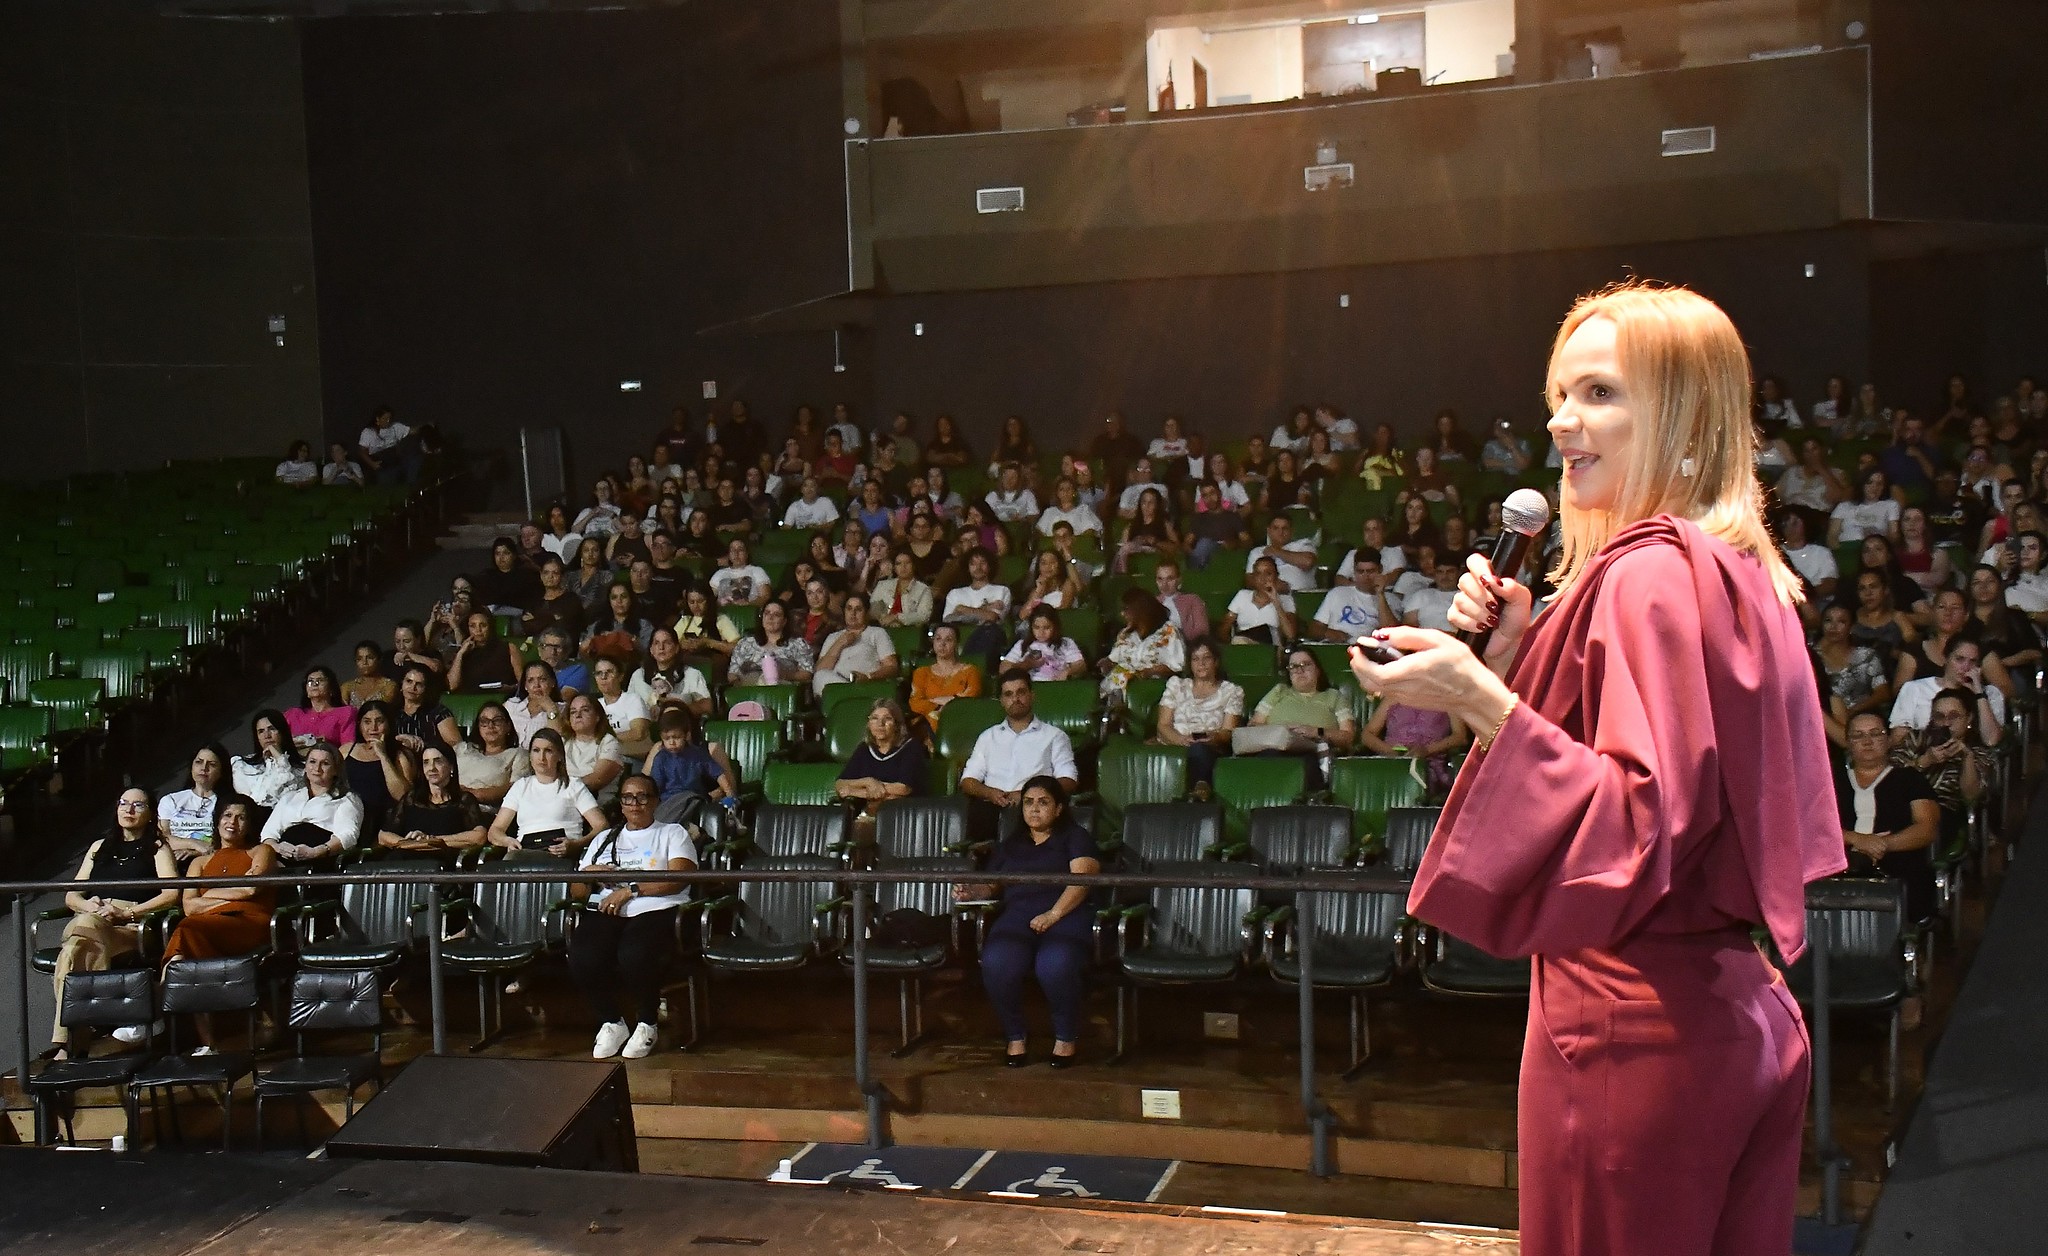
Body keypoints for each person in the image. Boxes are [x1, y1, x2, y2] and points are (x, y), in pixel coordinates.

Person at [1349, 284, 1843, 1256]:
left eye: (1598, 393)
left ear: (1680, 417)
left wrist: (1476, 696)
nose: (1558, 420)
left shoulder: (1643, 575)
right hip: (1739, 1015)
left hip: (1628, 1024)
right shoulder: (1740, 569)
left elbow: (1631, 822)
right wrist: (1505, 667)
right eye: (1557, 394)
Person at [956, 776, 1099, 1067]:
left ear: (1059, 808)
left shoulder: (1075, 836)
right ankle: (1015, 1036)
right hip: (1019, 915)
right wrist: (973, 891)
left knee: (1054, 965)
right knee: (997, 962)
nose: (1034, 809)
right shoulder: (1012, 843)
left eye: (1043, 802)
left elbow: (1083, 880)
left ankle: (1065, 1038)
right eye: (1029, 803)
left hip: (1065, 915)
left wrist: (1053, 915)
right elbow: (994, 885)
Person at [43, 791, 180, 1056]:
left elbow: (172, 894)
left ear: (150, 814)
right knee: (75, 951)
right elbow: (72, 894)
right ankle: (73, 1040)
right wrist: (90, 906)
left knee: (75, 944)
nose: (128, 809)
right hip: (93, 919)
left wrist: (126, 913)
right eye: (123, 803)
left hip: (132, 926)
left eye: (138, 804)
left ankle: (68, 1043)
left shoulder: (157, 848)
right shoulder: (98, 847)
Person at [572, 782, 698, 1061]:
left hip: (656, 908)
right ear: (620, 803)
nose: (635, 803)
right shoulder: (604, 838)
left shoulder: (672, 833)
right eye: (628, 798)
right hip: (607, 910)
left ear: (655, 802)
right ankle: (612, 1022)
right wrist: (587, 873)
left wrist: (631, 889)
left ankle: (646, 1022)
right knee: (582, 954)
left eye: (642, 797)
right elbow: (577, 892)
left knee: (635, 953)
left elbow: (679, 878)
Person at [159, 797, 279, 1041]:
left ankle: (161, 998)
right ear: (216, 822)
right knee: (189, 947)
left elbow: (250, 890)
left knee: (186, 939)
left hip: (249, 922)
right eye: (227, 815)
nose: (232, 821)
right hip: (205, 927)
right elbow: (189, 906)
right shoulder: (199, 862)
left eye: (241, 816)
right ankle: (212, 1038)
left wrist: (211, 893)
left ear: (250, 824)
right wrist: (228, 898)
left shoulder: (260, 851)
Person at [1836, 712, 1940, 926]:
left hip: (1897, 866)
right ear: (1848, 742)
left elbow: (1927, 828)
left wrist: (1881, 845)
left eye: (1875, 734)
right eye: (1858, 736)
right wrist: (1856, 839)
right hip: (1838, 866)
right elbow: (1809, 829)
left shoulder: (1910, 779)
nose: (1867, 741)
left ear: (1889, 739)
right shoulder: (1829, 782)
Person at [960, 672, 1079, 833]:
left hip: (1034, 810)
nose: (1015, 699)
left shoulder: (1054, 736)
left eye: (1021, 692)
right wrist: (989, 793)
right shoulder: (988, 737)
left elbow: (1069, 780)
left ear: (1032, 695)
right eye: (1008, 694)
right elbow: (968, 781)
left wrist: (1027, 795)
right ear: (1001, 701)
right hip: (990, 809)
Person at [1246, 649, 1355, 790]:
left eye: (1306, 664)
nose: (1299, 670)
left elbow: (1348, 737)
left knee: (1306, 762)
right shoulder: (1279, 691)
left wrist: (1316, 731)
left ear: (1318, 670)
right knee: (1269, 757)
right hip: (1276, 747)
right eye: (1293, 666)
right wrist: (1282, 730)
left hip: (1314, 749)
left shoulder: (1334, 696)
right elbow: (1254, 725)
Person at [487, 729, 607, 856]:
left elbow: (601, 825)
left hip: (561, 854)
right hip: (525, 852)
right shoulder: (520, 786)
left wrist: (575, 845)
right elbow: (495, 830)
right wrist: (507, 841)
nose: (541, 758)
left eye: (548, 751)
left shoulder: (573, 785)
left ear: (559, 756)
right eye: (536, 750)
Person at [1154, 638, 1243, 790]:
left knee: (1199, 748)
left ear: (1216, 662)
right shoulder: (1177, 685)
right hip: (1175, 740)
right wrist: (1181, 740)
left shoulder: (1232, 691)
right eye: (1195, 659)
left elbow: (1228, 732)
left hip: (1210, 745)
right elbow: (1163, 724)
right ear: (1190, 664)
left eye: (1206, 658)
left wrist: (1212, 737)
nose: (1201, 663)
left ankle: (1200, 789)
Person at [835, 699, 929, 837]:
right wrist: (868, 782)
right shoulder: (864, 749)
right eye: (874, 718)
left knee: (863, 828)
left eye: (887, 719)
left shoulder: (911, 747)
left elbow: (903, 788)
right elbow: (840, 784)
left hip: (905, 812)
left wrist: (856, 791)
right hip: (868, 811)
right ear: (868, 723)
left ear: (897, 724)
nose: (880, 724)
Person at [378, 744, 490, 859]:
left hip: (443, 864)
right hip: (405, 860)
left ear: (451, 766)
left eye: (438, 761)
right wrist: (410, 843)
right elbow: (383, 836)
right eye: (426, 762)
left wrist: (432, 840)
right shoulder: (411, 799)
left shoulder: (463, 800)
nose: (431, 768)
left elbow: (479, 836)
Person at [260, 744, 365, 865]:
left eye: (325, 763)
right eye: (312, 761)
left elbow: (347, 835)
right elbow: (267, 834)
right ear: (305, 766)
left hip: (320, 861)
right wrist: (278, 847)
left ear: (336, 770)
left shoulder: (347, 799)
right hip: (281, 860)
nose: (317, 768)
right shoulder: (289, 797)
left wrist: (316, 852)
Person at [1888, 637, 2004, 743]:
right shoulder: (1914, 688)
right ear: (1946, 659)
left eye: (1973, 661)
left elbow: (1991, 740)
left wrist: (1979, 694)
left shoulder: (1990, 693)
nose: (1966, 667)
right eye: (1959, 659)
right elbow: (1898, 737)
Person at [643, 707, 737, 825]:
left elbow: (718, 774)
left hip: (695, 798)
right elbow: (655, 787)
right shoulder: (661, 758)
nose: (671, 742)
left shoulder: (698, 754)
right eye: (667, 738)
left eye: (676, 737)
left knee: (691, 800)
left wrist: (729, 794)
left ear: (686, 735)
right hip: (668, 800)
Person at [338, 699, 415, 841]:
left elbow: (403, 796)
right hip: (347, 815)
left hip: (382, 821)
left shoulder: (399, 755)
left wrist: (383, 755)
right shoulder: (345, 751)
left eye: (379, 721)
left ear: (389, 724)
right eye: (367, 722)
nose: (373, 727)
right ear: (360, 725)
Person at [1099, 588, 1184, 698]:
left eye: (1126, 609)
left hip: (1152, 688)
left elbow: (1177, 667)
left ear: (1139, 610)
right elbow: (1114, 659)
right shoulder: (1126, 634)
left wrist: (1150, 671)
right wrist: (1107, 663)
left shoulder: (1168, 632)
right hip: (1116, 690)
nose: (1122, 614)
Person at [813, 592, 900, 695]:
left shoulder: (877, 633)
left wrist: (868, 677)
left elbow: (892, 667)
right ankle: (845, 695)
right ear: (844, 612)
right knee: (820, 676)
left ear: (866, 613)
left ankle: (848, 697)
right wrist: (839, 643)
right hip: (835, 685)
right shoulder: (833, 637)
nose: (853, 613)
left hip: (864, 686)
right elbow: (820, 670)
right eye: (849, 608)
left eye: (858, 609)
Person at [158, 743, 232, 861]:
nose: (204, 768)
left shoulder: (229, 804)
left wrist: (196, 853)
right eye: (199, 762)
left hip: (212, 860)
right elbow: (162, 838)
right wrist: (194, 844)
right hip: (175, 860)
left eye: (212, 764)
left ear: (222, 771)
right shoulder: (171, 800)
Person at [456, 702, 529, 807]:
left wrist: (472, 793)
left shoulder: (518, 754)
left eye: (497, 720)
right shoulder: (463, 749)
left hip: (484, 811)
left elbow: (515, 788)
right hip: (449, 805)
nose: (490, 726)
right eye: (484, 721)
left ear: (508, 726)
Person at [727, 601, 815, 688]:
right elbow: (732, 674)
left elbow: (807, 674)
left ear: (784, 621)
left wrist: (786, 675)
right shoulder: (745, 643)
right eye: (767, 613)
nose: (770, 617)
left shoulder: (798, 644)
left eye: (776, 615)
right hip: (750, 689)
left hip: (781, 689)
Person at [909, 623, 981, 731]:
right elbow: (915, 703)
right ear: (933, 642)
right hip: (928, 726)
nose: (942, 644)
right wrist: (939, 704)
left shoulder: (970, 671)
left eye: (948, 640)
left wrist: (938, 702)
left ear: (956, 644)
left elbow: (972, 697)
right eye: (938, 639)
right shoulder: (922, 672)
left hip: (961, 721)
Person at [232, 710, 305, 810]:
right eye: (261, 731)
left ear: (283, 732)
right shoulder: (242, 765)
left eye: (272, 729)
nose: (267, 735)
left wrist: (279, 758)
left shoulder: (301, 770)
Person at [1313, 555, 1395, 640]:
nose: (1365, 576)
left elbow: (1391, 634)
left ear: (1380, 570)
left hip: (1368, 647)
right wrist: (1328, 633)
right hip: (1336, 645)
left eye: (1370, 571)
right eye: (1360, 571)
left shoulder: (1391, 600)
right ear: (1354, 572)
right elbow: (1315, 628)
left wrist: (1380, 595)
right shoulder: (1337, 593)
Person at [1220, 557, 1296, 645]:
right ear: (1253, 577)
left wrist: (1276, 602)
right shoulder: (1242, 595)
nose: (1263, 578)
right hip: (1242, 645)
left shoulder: (1287, 600)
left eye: (1268, 573)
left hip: (1271, 649)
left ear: (1276, 576)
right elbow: (1224, 628)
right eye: (1258, 574)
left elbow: (1291, 635)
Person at [447, 609, 524, 694]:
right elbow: (452, 686)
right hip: (473, 699)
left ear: (490, 627)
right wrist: (460, 654)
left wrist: (512, 688)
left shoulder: (508, 647)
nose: (478, 630)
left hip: (503, 697)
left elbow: (522, 683)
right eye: (473, 626)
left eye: (483, 625)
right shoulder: (464, 651)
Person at [285, 665, 355, 748]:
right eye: (310, 681)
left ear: (331, 688)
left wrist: (328, 745)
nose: (314, 684)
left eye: (320, 680)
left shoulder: (345, 713)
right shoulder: (293, 714)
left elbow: (348, 746)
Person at [871, 550, 934, 628]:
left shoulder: (923, 589)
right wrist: (882, 618)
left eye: (907, 563)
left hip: (910, 632)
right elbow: (873, 610)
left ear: (913, 566)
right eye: (898, 563)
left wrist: (896, 617)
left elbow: (923, 616)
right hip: (882, 629)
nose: (903, 567)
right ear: (894, 567)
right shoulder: (882, 585)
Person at [1152, 558, 1209, 640]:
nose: (1164, 584)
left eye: (1170, 579)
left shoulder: (1193, 600)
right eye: (1160, 579)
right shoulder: (1152, 603)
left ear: (1179, 579)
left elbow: (1202, 631)